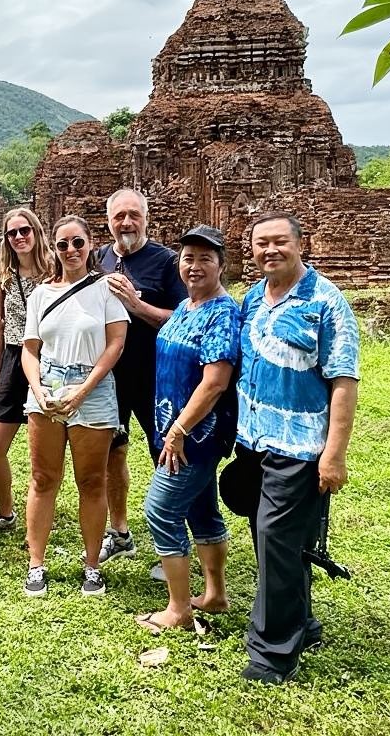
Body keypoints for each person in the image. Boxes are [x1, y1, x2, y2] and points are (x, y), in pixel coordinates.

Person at [236, 212, 360, 684]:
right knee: (279, 545)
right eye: (261, 243)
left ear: (300, 244)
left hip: (301, 445)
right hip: (254, 441)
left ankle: (271, 653)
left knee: (275, 541)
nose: (270, 250)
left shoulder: (326, 302)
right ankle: (302, 623)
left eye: (279, 242)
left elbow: (344, 381)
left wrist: (334, 453)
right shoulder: (252, 297)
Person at [136, 226, 240, 633]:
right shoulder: (185, 308)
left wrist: (178, 430)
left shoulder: (222, 313)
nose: (194, 266)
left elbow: (215, 382)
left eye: (205, 259)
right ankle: (214, 594)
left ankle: (178, 609)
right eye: (188, 258)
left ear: (221, 265)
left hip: (195, 435)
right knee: (201, 508)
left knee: (160, 510)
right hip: (174, 428)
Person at [22, 215, 128, 597]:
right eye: (63, 244)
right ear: (54, 247)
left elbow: (116, 343)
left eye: (78, 243)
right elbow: (30, 350)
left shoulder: (105, 289)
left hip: (93, 385)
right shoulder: (40, 294)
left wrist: (83, 389)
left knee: (91, 480)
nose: (71, 251)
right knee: (43, 478)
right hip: (47, 384)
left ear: (90, 245)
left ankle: (92, 564)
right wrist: (37, 390)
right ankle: (36, 563)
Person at [95, 188, 187, 573]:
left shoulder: (167, 262)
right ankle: (119, 534)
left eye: (134, 215)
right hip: (111, 378)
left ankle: (175, 544)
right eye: (119, 217)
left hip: (156, 378)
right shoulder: (100, 257)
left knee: (165, 456)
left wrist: (137, 305)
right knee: (111, 454)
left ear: (146, 218)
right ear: (109, 221)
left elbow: (185, 318)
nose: (126, 223)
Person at [0, 207, 53, 535]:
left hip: (50, 359)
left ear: (35, 231)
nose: (19, 237)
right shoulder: (1, 275)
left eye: (25, 231)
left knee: (46, 450)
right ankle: (6, 513)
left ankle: (43, 506)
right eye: (12, 233)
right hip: (13, 357)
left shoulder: (55, 269)